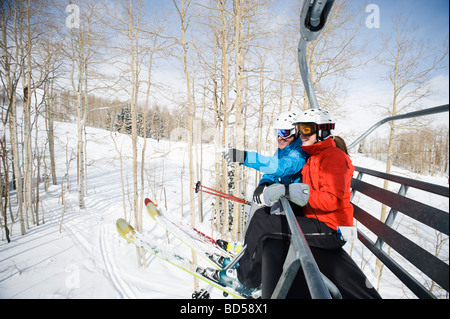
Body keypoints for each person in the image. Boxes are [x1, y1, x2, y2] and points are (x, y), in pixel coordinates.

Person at [218, 108, 381, 299]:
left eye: (305, 129)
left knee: (263, 223)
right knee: (262, 217)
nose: (301, 135)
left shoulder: (334, 157)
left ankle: (246, 280)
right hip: (315, 220)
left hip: (331, 229)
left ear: (322, 131)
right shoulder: (314, 155)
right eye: (298, 129)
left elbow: (331, 201)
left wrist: (291, 192)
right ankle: (249, 270)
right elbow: (284, 172)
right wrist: (272, 186)